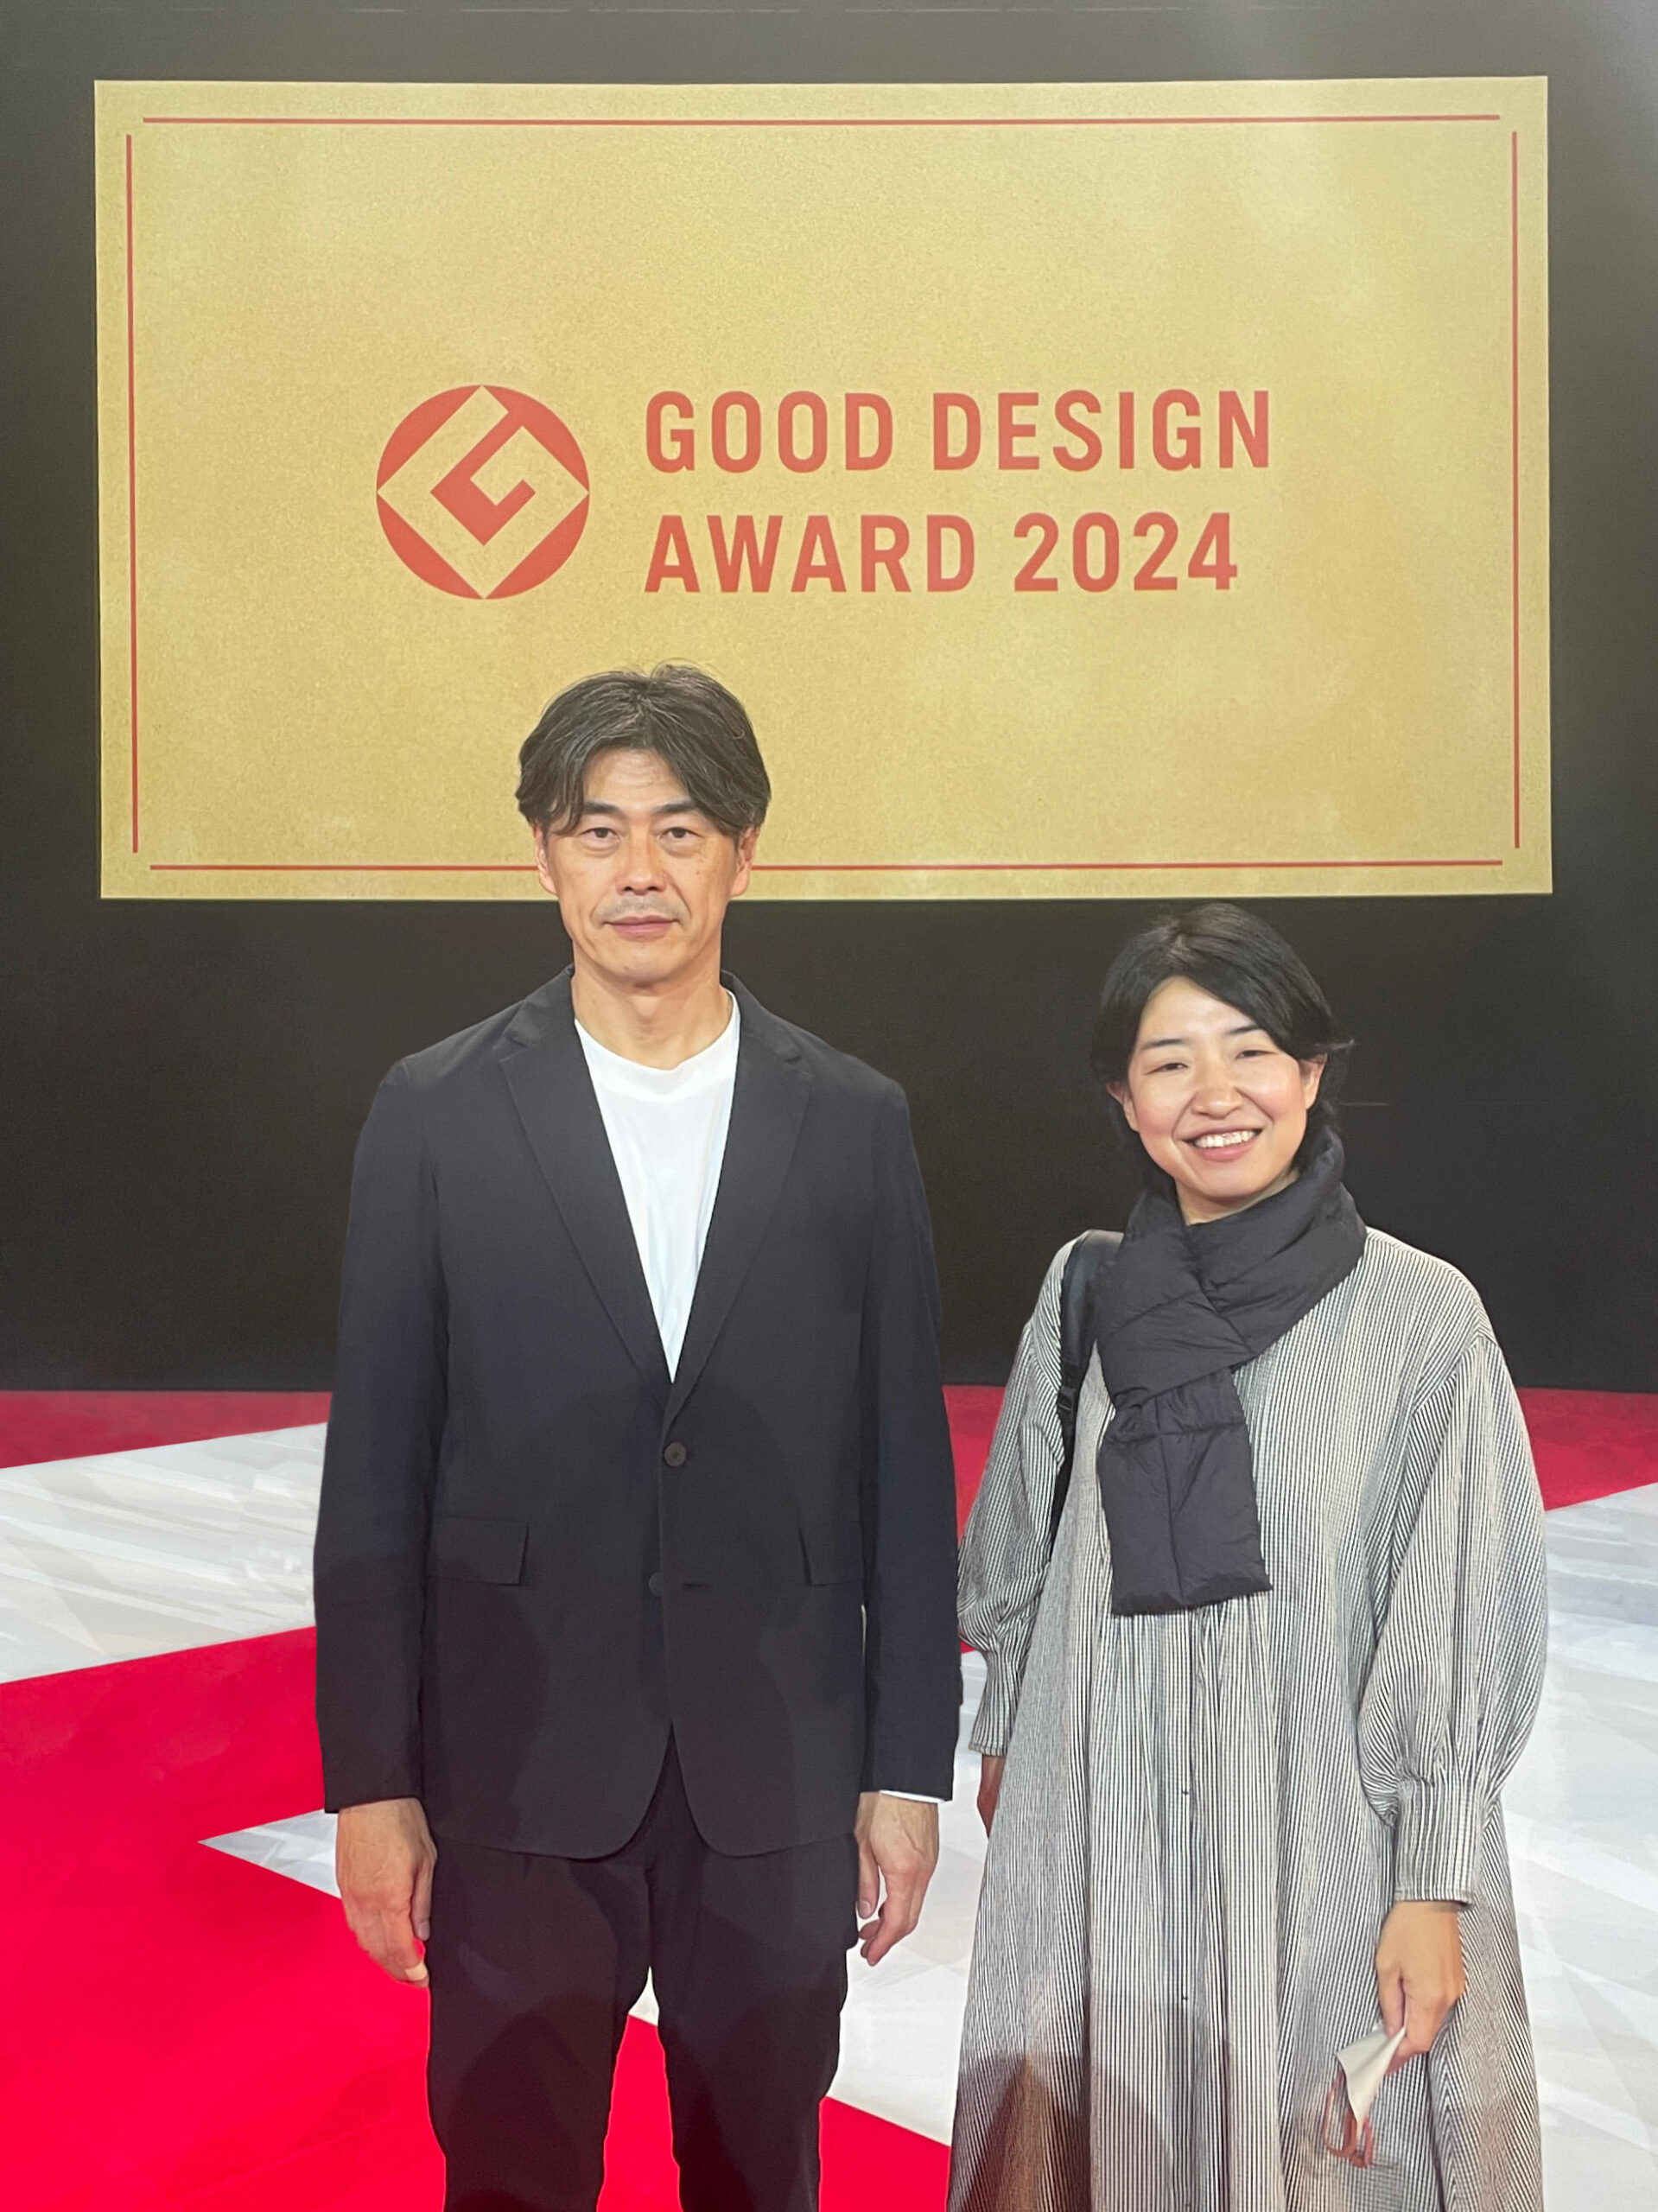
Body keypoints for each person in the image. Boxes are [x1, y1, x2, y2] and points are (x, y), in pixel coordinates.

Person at [314, 664, 962, 2212]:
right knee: (514, 2176)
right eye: (598, 831)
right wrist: (369, 1783)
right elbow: (377, 1470)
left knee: (762, 2175)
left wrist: (905, 1768)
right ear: (545, 855)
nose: (639, 870)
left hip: (777, 1770)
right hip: (515, 1767)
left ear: (744, 852)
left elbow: (903, 1468)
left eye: (679, 830)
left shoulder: (852, 1119)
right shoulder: (435, 1111)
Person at [951, 903, 1547, 2212]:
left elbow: (1458, 1612)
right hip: (1105, 1832)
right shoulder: (1087, 1292)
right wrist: (1011, 1754)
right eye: (1170, 1062)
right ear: (1125, 1099)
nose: (1215, 1095)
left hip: (1324, 1847)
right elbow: (1020, 1562)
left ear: (1312, 1072)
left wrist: (1433, 1883)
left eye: (1252, 1051)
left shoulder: (1423, 1317)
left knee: (1314, 2155)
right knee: (1108, 2143)